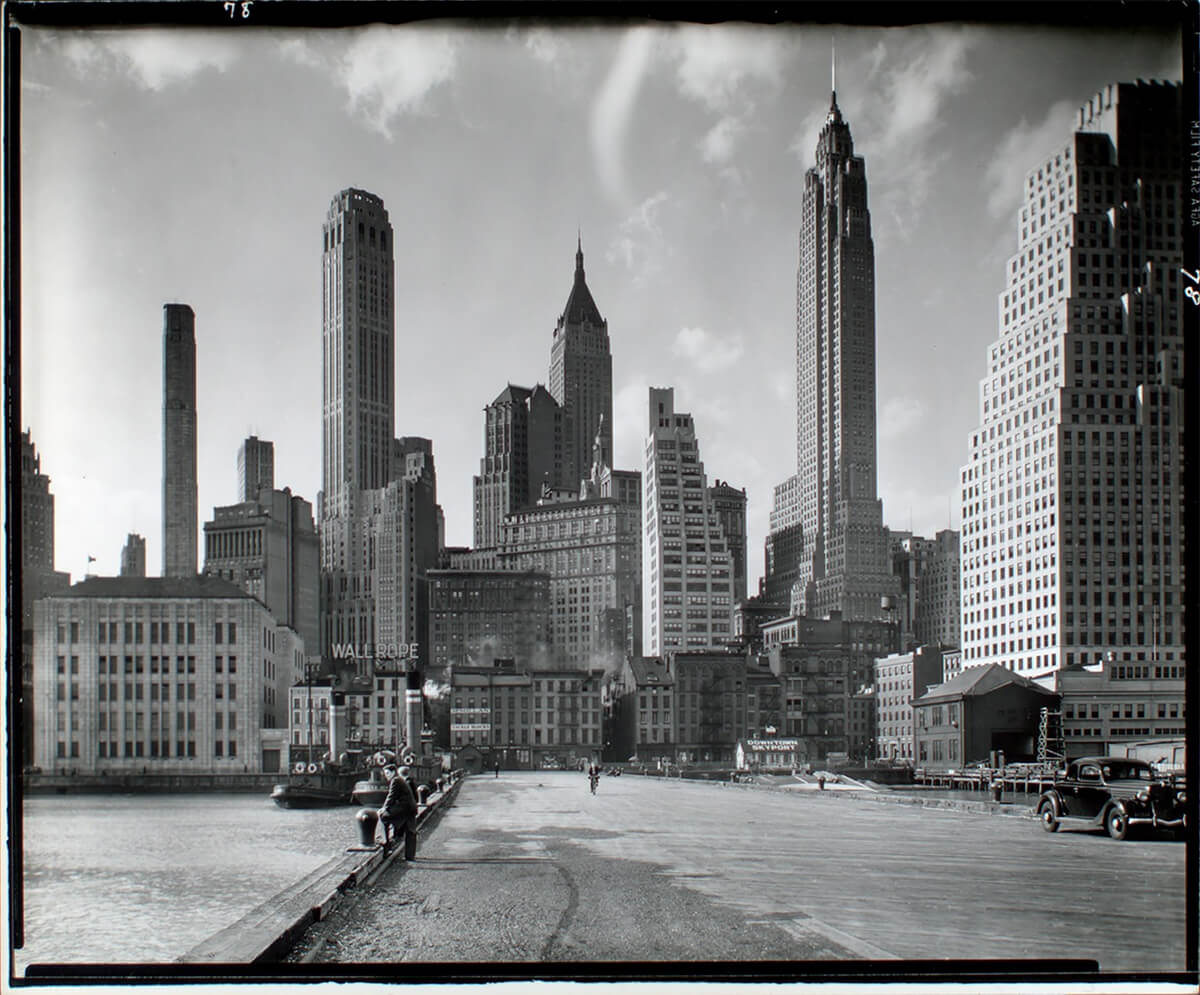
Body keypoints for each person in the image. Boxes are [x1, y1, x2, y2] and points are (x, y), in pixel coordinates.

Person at [378, 763, 418, 860]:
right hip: (411, 808)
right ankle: (410, 856)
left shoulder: (395, 780)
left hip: (405, 808)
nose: (386, 776)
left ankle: (386, 844)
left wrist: (384, 809)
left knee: (383, 817)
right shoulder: (400, 779)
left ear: (393, 772)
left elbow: (391, 796)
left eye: (387, 773)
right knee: (410, 832)